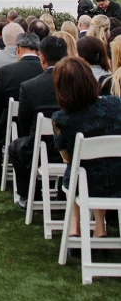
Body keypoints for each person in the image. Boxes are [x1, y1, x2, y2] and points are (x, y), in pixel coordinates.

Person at [52, 57, 121, 241]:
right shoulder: (116, 104)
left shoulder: (61, 119)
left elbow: (66, 158)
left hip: (84, 183)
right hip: (117, 180)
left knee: (76, 169)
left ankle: (76, 227)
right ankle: (100, 228)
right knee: (97, 167)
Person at [8, 36, 68, 208]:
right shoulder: (79, 83)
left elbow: (23, 124)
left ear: (41, 57)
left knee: (16, 146)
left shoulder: (30, 87)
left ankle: (29, 194)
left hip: (41, 149)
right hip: (74, 149)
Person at [0, 32, 43, 186]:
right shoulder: (49, 72)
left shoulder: (5, 72)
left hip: (14, 127)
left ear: (17, 49)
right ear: (37, 49)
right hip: (46, 133)